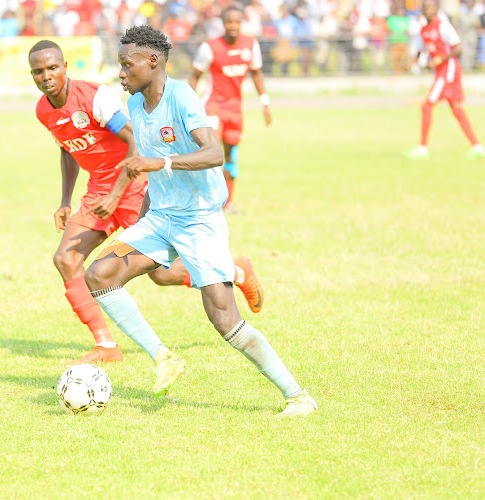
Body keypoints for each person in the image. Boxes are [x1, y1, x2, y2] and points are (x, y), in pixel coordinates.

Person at [84, 25, 316, 417]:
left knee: (223, 318)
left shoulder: (182, 96)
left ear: (153, 62)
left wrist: (162, 162)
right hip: (159, 216)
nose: (121, 73)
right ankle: (164, 357)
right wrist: (139, 227)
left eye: (127, 65)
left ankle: (297, 396)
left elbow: (213, 154)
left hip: (200, 219)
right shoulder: (138, 105)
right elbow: (147, 167)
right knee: (100, 275)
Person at [29, 40, 266, 366]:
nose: (46, 76)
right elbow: (67, 149)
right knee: (66, 258)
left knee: (161, 274)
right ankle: (106, 345)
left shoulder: (93, 98)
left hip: (135, 185)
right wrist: (64, 200)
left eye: (52, 67)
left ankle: (236, 273)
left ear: (65, 66)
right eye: (38, 71)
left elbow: (135, 142)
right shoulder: (44, 110)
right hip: (100, 191)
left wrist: (117, 195)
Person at [189, 4, 272, 215]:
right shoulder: (210, 47)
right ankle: (206, 202)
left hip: (236, 109)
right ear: (223, 24)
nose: (233, 26)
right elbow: (195, 76)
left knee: (231, 156)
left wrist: (265, 101)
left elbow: (257, 74)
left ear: (241, 23)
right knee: (211, 154)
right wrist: (188, 104)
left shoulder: (251, 45)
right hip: (214, 107)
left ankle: (229, 203)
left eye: (236, 22)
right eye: (229, 22)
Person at [404, 0, 484, 160]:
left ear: (436, 9)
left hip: (449, 70)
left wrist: (441, 59)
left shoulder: (443, 25)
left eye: (432, 8)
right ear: (423, 10)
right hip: (441, 70)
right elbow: (421, 50)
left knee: (426, 106)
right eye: (426, 8)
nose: (429, 11)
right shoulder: (423, 28)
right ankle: (477, 147)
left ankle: (422, 148)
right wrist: (414, 62)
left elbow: (458, 47)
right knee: (457, 109)